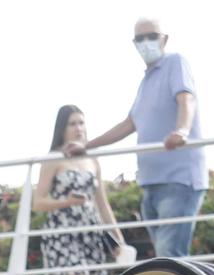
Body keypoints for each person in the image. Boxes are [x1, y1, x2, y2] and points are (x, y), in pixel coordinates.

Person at [63, 17, 206, 260]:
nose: (146, 42)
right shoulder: (146, 81)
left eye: (152, 36)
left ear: (164, 39)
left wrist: (181, 130)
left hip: (178, 180)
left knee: (171, 254)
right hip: (150, 183)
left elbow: (186, 99)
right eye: (140, 38)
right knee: (164, 258)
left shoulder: (175, 62)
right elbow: (129, 124)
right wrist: (86, 147)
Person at [38, 106, 126, 275]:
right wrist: (68, 201)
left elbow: (102, 204)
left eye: (81, 123)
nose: (79, 128)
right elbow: (39, 202)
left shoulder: (92, 159)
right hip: (61, 234)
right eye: (72, 124)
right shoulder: (54, 158)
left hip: (89, 233)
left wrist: (119, 238)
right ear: (62, 129)